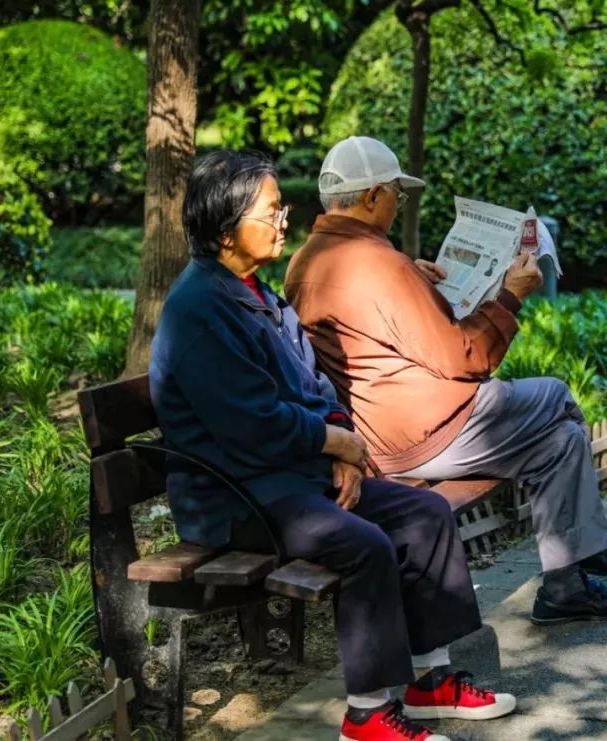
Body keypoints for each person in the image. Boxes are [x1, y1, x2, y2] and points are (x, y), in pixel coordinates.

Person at [148, 150, 515, 741]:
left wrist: (340, 443)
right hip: (238, 498)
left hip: (292, 474)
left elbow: (315, 381)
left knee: (423, 513)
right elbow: (252, 425)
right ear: (225, 227)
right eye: (270, 211)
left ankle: (431, 682)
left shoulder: (254, 293)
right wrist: (334, 444)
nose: (282, 221)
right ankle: (367, 715)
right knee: (365, 544)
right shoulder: (199, 311)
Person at [285, 136, 607, 626]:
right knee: (556, 397)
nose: (397, 205)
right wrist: (509, 296)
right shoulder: (379, 266)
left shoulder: (308, 260)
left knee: (561, 440)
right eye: (395, 196)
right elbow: (466, 358)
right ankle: (586, 546)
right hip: (424, 432)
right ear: (370, 198)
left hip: (380, 426)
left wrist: (413, 279)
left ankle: (566, 584)